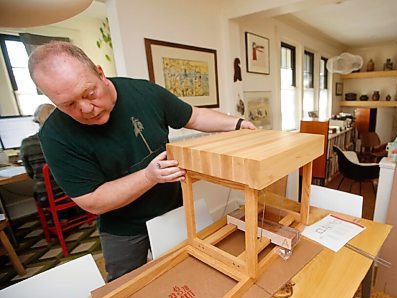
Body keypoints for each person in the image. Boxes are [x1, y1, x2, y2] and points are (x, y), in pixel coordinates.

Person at [28, 41, 255, 281]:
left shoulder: (144, 93)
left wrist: (237, 124)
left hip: (173, 209)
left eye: (89, 93)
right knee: (126, 289)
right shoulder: (55, 136)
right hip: (122, 228)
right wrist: (148, 176)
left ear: (100, 73)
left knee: (190, 272)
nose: (86, 108)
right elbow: (92, 200)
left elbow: (194, 116)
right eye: (68, 104)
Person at [20, 103, 66, 207]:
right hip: (68, 193)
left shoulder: (26, 143)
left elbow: (30, 173)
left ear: (37, 121)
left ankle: (60, 218)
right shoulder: (65, 140)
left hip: (44, 196)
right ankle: (66, 216)